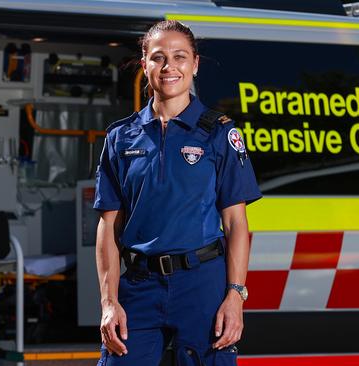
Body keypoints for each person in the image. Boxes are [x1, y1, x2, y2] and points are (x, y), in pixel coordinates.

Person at [93, 20, 262, 366]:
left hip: (202, 286)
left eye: (179, 57)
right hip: (139, 285)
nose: (169, 67)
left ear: (195, 64)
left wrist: (235, 296)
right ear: (144, 66)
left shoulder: (218, 134)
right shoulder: (120, 138)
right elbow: (108, 227)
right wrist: (109, 302)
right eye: (158, 58)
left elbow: (235, 223)